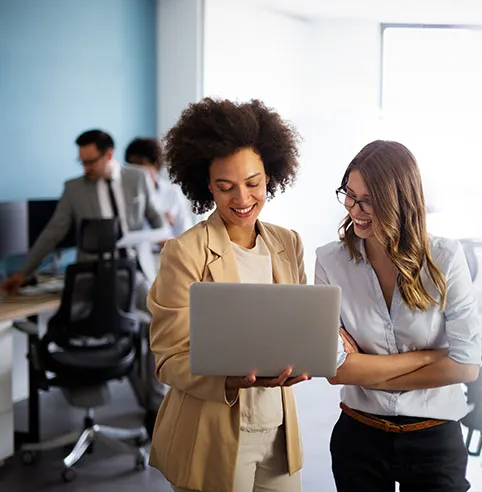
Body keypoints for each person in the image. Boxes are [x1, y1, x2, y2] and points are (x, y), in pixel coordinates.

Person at [147, 97, 309, 492]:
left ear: (270, 176)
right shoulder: (185, 252)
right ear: (207, 186)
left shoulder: (288, 244)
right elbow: (168, 358)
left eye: (253, 183)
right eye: (226, 187)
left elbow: (299, 327)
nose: (242, 199)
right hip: (211, 431)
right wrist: (229, 380)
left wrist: (306, 357)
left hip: (278, 432)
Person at [315, 140, 482, 492]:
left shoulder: (446, 259)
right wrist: (427, 358)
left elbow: (466, 366)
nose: (354, 209)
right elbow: (335, 369)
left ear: (399, 201)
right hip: (358, 439)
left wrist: (366, 369)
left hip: (433, 439)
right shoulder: (330, 262)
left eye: (369, 200)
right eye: (349, 194)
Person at [0, 129, 168, 430]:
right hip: (92, 279)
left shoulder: (137, 179)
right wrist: (23, 272)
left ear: (109, 155)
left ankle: (156, 406)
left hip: (132, 272)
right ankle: (93, 388)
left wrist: (162, 238)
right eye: (82, 162)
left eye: (91, 161)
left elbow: (157, 221)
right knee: (86, 327)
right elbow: (53, 233)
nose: (85, 168)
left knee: (160, 326)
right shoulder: (74, 189)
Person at [125, 137, 194, 237]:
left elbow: (186, 233)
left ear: (155, 163)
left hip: (167, 250)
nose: (138, 171)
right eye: (133, 165)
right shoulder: (125, 192)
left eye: (142, 164)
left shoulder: (172, 193)